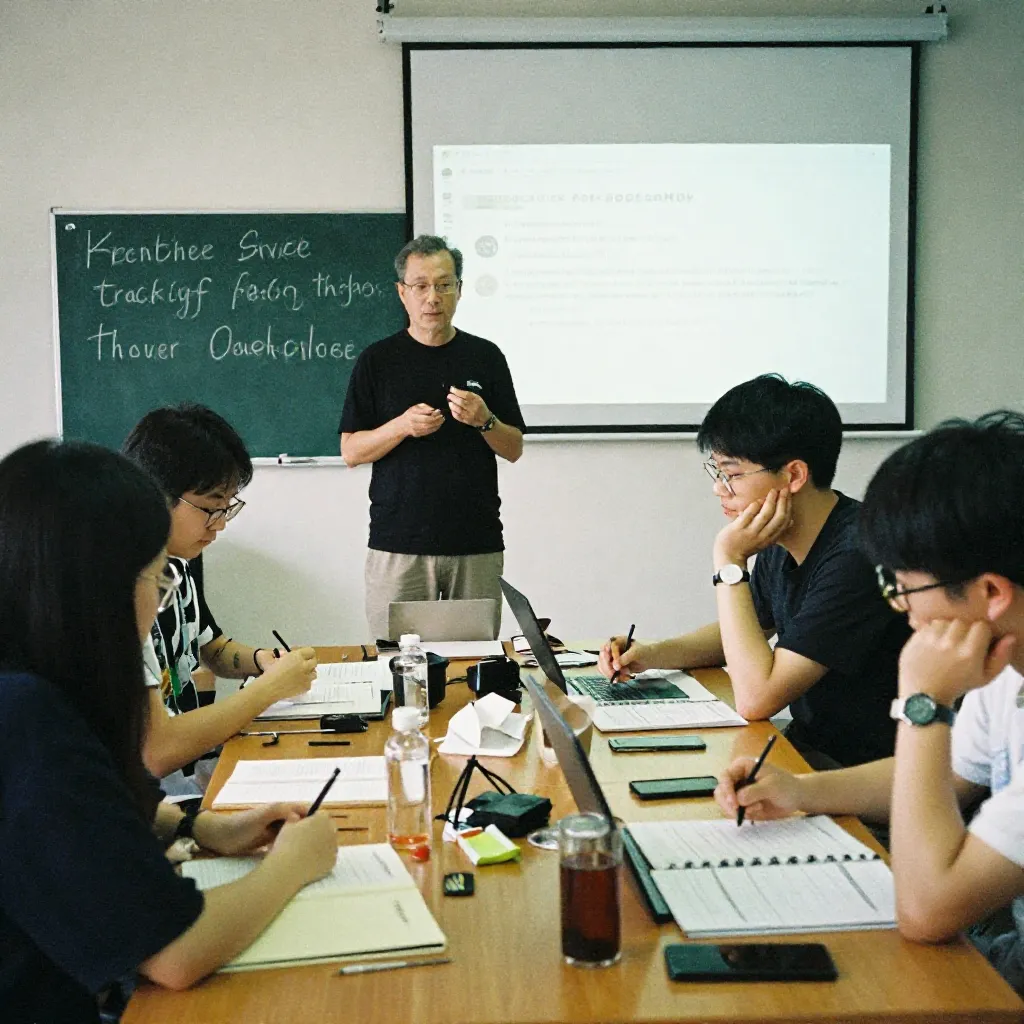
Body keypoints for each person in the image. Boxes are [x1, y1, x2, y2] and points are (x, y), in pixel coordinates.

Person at [0, 440, 337, 1024]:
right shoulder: (24, 715)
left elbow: (72, 814)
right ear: (97, 587)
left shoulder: (35, 677)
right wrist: (293, 864)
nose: (160, 601)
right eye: (156, 578)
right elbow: (174, 954)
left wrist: (198, 825)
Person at [713, 411, 1024, 994]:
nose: (900, 607)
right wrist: (800, 791)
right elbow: (956, 774)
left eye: (905, 588)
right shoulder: (1006, 673)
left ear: (990, 593)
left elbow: (926, 911)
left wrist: (922, 702)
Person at [599, 374, 911, 767]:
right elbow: (744, 632)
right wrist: (652, 653)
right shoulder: (781, 541)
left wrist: (729, 560)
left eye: (732, 474)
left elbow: (756, 698)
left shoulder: (858, 555)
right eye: (717, 472)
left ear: (793, 475)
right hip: (805, 749)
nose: (719, 488)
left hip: (862, 771)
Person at [339, 234, 526, 641]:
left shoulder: (486, 356)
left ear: (460, 289)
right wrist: (402, 426)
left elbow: (514, 448)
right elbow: (350, 450)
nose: (432, 298)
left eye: (444, 285)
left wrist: (485, 420)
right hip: (398, 543)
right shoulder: (377, 360)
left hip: (475, 542)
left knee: (475, 661)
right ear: (401, 292)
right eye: (420, 286)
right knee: (396, 661)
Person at [122, 404, 317, 792]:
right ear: (155, 495)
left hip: (190, 771)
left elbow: (210, 646)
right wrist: (269, 689)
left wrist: (263, 661)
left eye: (227, 508)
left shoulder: (179, 561)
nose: (221, 524)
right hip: (155, 793)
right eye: (212, 508)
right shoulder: (121, 587)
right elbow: (157, 752)